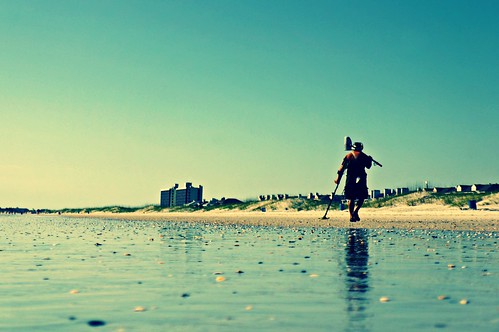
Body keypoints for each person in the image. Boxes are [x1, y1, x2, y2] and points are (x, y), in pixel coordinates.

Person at [334, 142, 372, 222]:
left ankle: (351, 215)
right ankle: (355, 212)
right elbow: (369, 166)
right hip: (361, 178)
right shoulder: (364, 156)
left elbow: (341, 169)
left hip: (351, 178)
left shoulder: (348, 156)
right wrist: (370, 160)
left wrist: (338, 179)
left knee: (351, 198)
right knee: (361, 197)